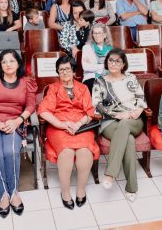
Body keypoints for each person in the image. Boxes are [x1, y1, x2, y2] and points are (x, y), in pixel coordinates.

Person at [0, 49, 37, 217]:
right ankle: (3, 193)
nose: (8, 64)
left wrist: (17, 121)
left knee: (10, 151)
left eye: (11, 61)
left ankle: (14, 193)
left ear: (18, 63)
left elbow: (31, 106)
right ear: (0, 65)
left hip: (14, 122)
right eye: (4, 62)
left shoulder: (27, 82)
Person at [38, 56, 99, 210]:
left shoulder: (83, 88)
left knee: (85, 151)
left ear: (73, 71)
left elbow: (90, 112)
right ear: (57, 72)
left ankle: (80, 189)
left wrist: (78, 124)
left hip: (81, 127)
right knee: (66, 152)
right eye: (61, 69)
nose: (64, 72)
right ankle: (65, 192)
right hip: (59, 127)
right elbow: (43, 111)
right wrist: (62, 124)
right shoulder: (53, 88)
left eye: (67, 69)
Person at [92, 48, 147, 202]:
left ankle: (110, 173)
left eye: (117, 61)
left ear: (123, 64)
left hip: (133, 120)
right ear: (106, 62)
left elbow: (141, 101)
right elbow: (97, 105)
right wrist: (116, 115)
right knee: (128, 140)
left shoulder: (131, 78)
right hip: (110, 122)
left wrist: (129, 114)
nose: (113, 63)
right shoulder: (100, 81)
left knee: (124, 126)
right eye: (110, 60)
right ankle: (131, 187)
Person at [82, 23, 113, 93]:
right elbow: (86, 67)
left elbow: (112, 67)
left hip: (108, 77)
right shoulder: (87, 47)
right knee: (96, 87)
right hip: (90, 78)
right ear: (92, 35)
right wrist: (104, 65)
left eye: (99, 33)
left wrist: (94, 66)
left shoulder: (111, 49)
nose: (97, 35)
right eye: (95, 33)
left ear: (105, 35)